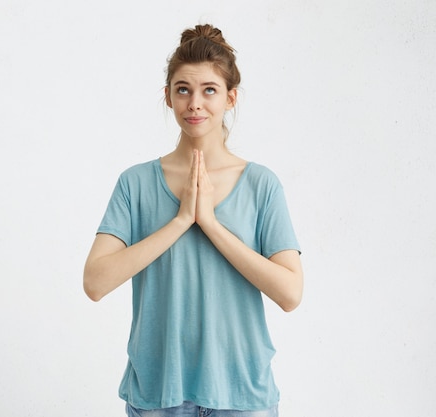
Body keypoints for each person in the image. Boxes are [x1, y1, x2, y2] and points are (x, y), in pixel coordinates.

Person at [83, 23, 303, 417]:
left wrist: (212, 226)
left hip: (242, 396)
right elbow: (95, 283)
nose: (194, 103)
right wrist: (181, 220)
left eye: (209, 90)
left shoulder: (261, 185)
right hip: (158, 394)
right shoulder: (135, 183)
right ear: (168, 97)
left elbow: (290, 293)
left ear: (230, 98)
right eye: (183, 89)